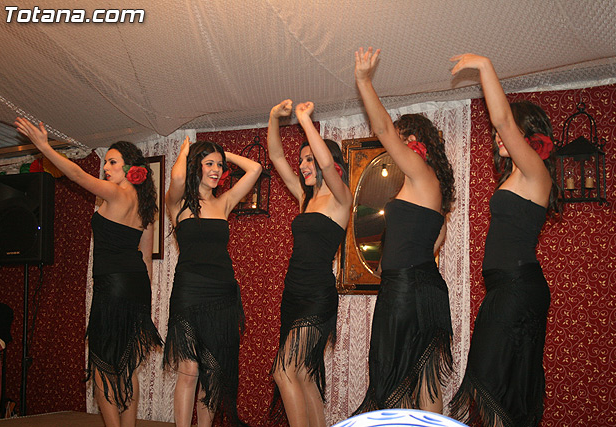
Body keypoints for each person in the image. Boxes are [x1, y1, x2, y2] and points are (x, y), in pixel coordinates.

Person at [15, 118, 162, 427]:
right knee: (127, 367)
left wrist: (44, 147)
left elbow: (77, 174)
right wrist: (144, 307)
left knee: (102, 367)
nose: (105, 167)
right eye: (105, 162)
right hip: (137, 286)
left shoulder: (116, 194)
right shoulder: (145, 206)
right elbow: (146, 259)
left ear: (129, 168)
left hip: (113, 286)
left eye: (112, 162)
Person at [448, 54, 561, 427]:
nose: (498, 135)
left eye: (508, 131)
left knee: (494, 387)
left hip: (517, 287)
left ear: (528, 137)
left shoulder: (535, 172)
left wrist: (484, 66)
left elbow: (501, 119)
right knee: (494, 388)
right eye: (499, 134)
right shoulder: (515, 176)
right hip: (503, 289)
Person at [352, 47, 456, 414]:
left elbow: (381, 127)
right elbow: (435, 241)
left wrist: (364, 80)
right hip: (427, 288)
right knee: (426, 380)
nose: (393, 144)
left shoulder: (417, 171)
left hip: (405, 288)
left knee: (391, 381)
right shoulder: (434, 188)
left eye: (400, 139)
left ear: (413, 142)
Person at [163, 136, 261, 427]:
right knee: (189, 368)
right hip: (189, 291)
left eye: (219, 165)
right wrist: (186, 151)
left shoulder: (224, 202)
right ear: (196, 166)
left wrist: (223, 153)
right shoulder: (178, 203)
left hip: (222, 293)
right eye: (209, 164)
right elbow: (177, 177)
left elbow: (255, 169)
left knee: (212, 370)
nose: (217, 169)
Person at [267, 99, 352, 427]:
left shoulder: (341, 198)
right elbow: (276, 157)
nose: (302, 165)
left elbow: (327, 166)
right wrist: (273, 118)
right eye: (301, 160)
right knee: (302, 374)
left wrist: (305, 121)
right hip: (293, 293)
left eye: (308, 159)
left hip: (318, 294)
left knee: (284, 371)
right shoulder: (306, 198)